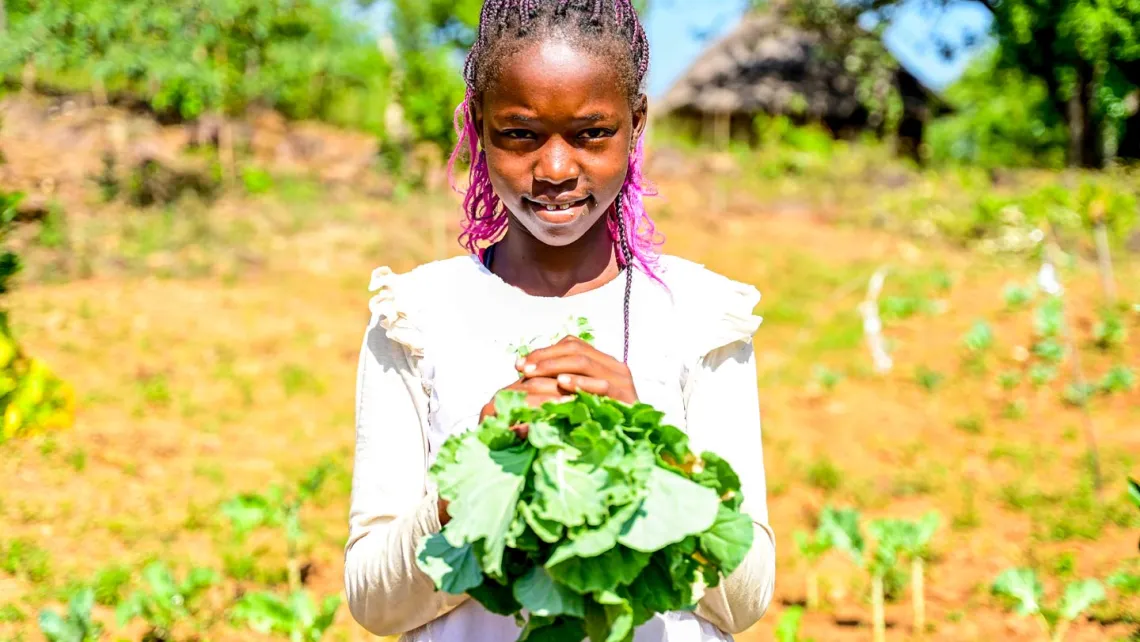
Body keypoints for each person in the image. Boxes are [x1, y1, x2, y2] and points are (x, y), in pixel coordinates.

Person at [344, 1, 776, 640]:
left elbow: (747, 599)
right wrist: (471, 477)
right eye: (519, 133)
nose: (554, 168)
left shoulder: (701, 319)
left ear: (636, 125)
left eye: (591, 133)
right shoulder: (415, 318)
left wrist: (652, 449)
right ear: (479, 126)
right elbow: (373, 602)